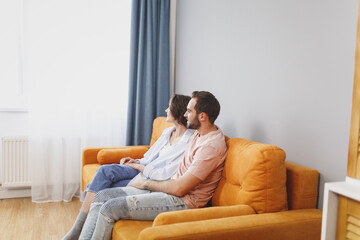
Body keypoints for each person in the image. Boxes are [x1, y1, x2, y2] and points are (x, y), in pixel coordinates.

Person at [78, 91, 227, 240]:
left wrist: (146, 183)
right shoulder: (200, 133)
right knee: (102, 195)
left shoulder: (210, 147)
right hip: (168, 190)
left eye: (189, 111)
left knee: (109, 208)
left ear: (202, 116)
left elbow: (179, 188)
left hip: (182, 201)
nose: (185, 115)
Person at [63, 94, 193, 240]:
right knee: (104, 171)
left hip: (151, 177)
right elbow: (149, 156)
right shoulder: (167, 132)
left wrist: (140, 167)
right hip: (143, 168)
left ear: (178, 111)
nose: (165, 110)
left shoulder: (188, 142)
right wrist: (136, 161)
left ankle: (79, 231)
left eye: (169, 107)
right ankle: (77, 228)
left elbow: (165, 173)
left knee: (104, 189)